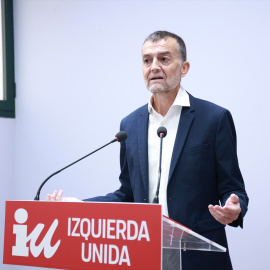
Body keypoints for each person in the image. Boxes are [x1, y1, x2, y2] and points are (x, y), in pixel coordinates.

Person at [47, 31, 248, 270]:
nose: (154, 67)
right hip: (145, 255)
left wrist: (234, 207)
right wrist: (79, 205)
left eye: (164, 59)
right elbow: (128, 194)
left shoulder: (214, 119)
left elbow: (233, 188)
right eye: (147, 60)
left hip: (199, 258)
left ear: (184, 68)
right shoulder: (130, 125)